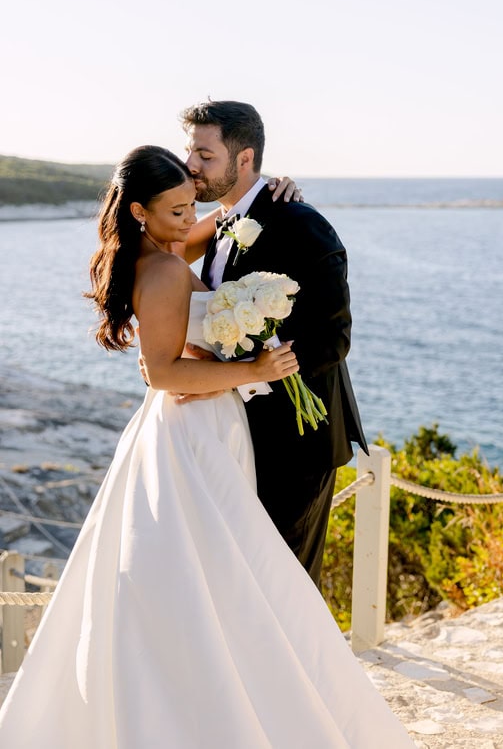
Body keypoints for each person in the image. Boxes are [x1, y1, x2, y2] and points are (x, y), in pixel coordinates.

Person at [0, 145, 414, 747]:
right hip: (189, 433)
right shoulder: (164, 269)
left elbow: (224, 222)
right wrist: (256, 369)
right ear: (140, 211)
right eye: (175, 210)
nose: (187, 217)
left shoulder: (164, 244)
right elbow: (165, 373)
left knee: (218, 572)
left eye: (189, 203)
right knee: (221, 574)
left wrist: (272, 191)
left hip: (201, 426)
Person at [178, 99, 368, 586]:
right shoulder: (223, 222)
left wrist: (246, 377)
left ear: (244, 160)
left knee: (285, 588)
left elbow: (332, 338)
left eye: (205, 154)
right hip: (237, 434)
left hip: (298, 441)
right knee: (242, 583)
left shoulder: (300, 223)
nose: (191, 165)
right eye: (190, 151)